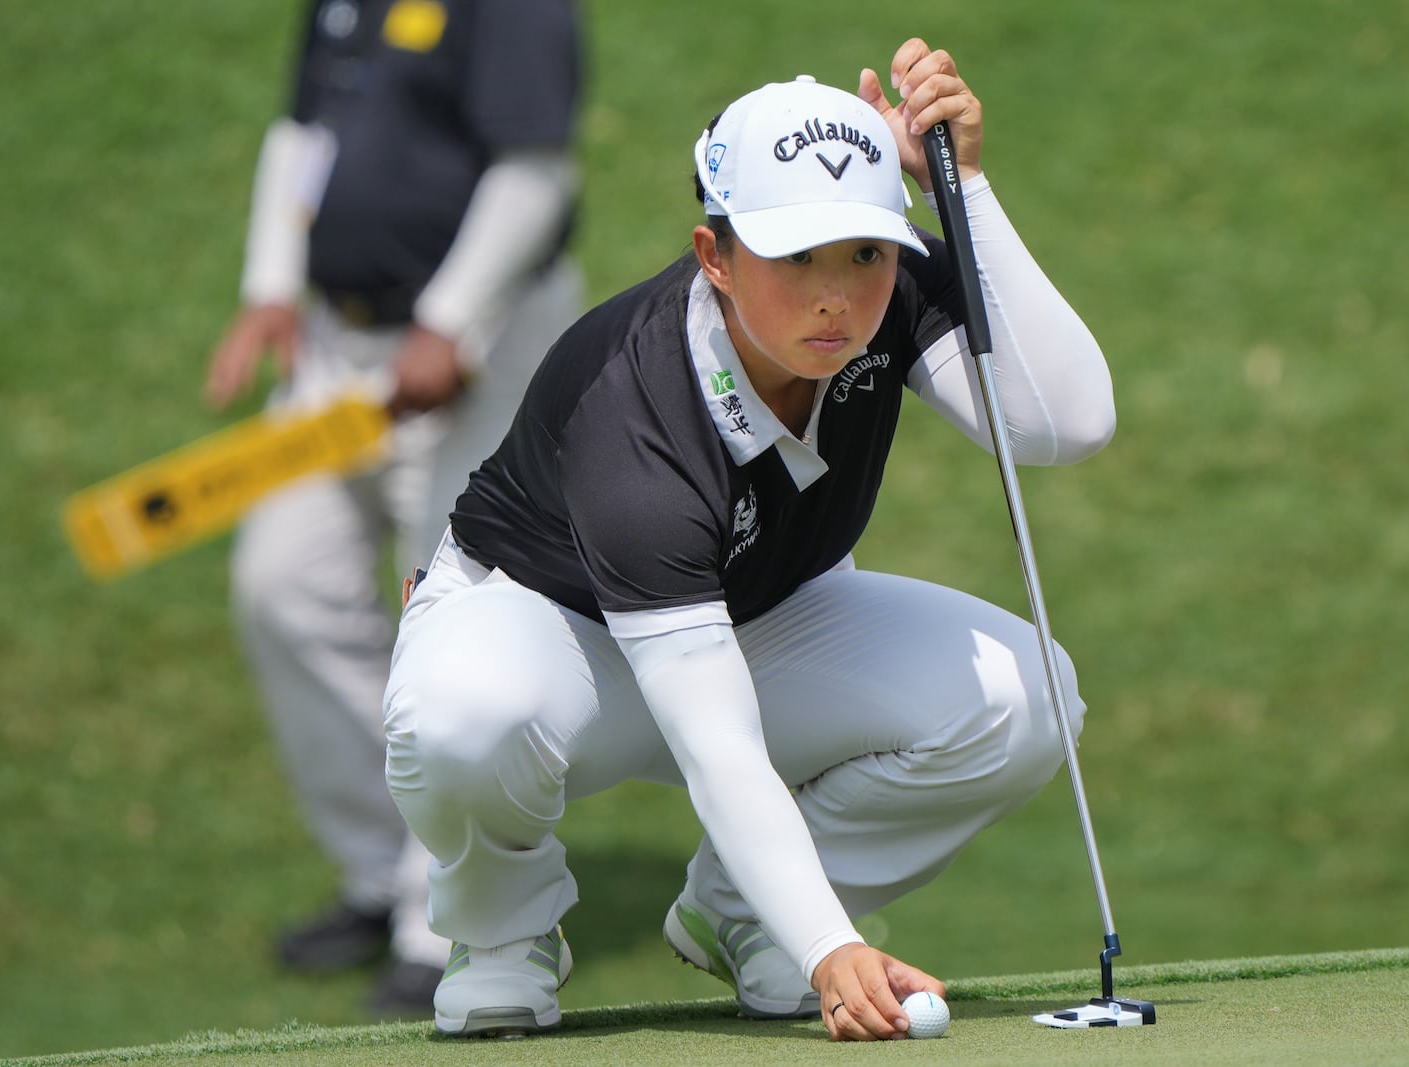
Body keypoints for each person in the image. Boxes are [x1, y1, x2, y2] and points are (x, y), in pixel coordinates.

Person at [383, 37, 1116, 1041]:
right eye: (793, 255)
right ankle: (502, 937)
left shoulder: (891, 295)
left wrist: (967, 190)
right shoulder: (635, 403)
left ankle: (739, 910)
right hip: (547, 642)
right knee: (462, 716)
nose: (834, 293)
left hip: (757, 620)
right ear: (714, 257)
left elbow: (1063, 421)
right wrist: (831, 945)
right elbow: (715, 741)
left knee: (1026, 696)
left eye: (863, 250)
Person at [203, 0, 584, 1015]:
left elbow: (537, 172)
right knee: (282, 584)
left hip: (481, 349)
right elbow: (305, 132)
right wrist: (272, 282)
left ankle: (454, 918)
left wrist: (449, 322)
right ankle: (383, 870)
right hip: (336, 349)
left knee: (449, 627)